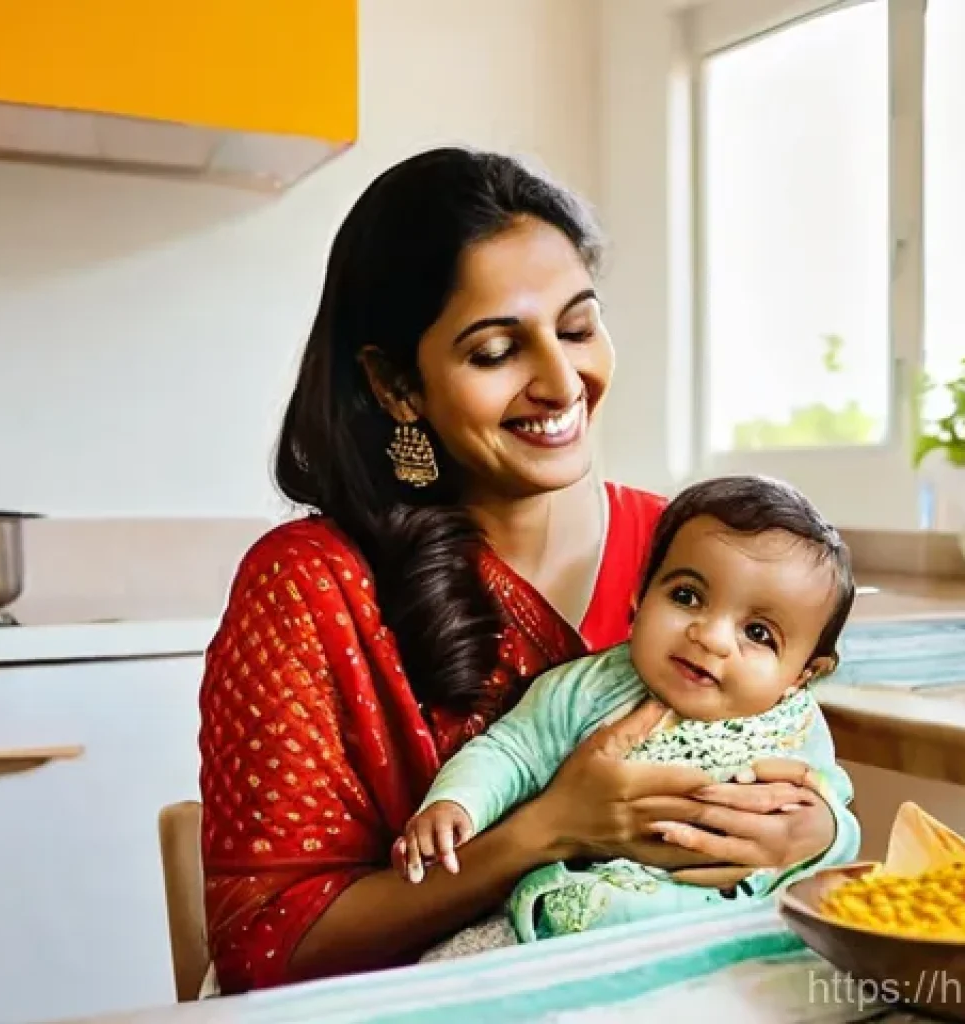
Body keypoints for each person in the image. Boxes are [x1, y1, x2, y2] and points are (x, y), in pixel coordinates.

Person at [198, 146, 845, 995]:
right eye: (497, 350)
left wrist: (808, 833)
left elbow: (797, 745)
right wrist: (546, 832)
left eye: (578, 328)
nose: (560, 380)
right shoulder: (309, 588)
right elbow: (263, 949)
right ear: (398, 386)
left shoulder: (687, 551)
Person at [398, 475, 860, 951]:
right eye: (686, 596)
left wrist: (825, 834)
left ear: (803, 674)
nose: (711, 637)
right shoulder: (586, 687)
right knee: (456, 964)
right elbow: (509, 751)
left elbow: (829, 799)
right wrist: (456, 804)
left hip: (733, 932)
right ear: (640, 598)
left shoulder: (796, 724)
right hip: (567, 923)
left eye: (759, 633)